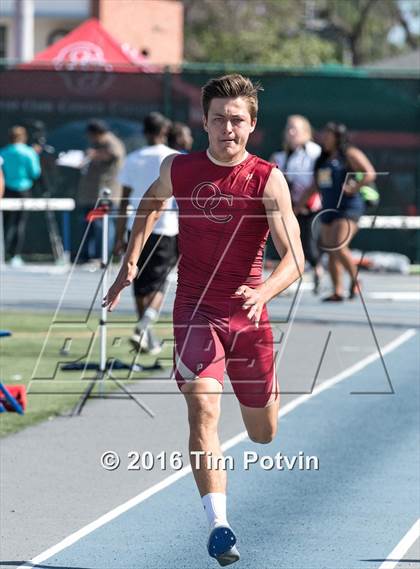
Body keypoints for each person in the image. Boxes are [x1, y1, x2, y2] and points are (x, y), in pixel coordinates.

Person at [103, 74, 304, 566]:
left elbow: (296, 258)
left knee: (263, 433)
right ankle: (218, 524)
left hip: (248, 314)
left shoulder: (266, 178)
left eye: (237, 120)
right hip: (194, 310)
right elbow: (150, 203)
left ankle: (259, 399)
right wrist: (131, 259)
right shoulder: (181, 167)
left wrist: (263, 291)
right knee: (203, 410)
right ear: (205, 122)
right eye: (218, 119)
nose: (227, 128)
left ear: (252, 124)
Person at [115, 112, 178, 354]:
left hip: (137, 226)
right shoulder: (173, 158)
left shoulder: (133, 159)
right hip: (166, 227)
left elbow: (124, 200)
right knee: (159, 282)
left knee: (138, 282)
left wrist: (120, 235)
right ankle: (144, 327)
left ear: (145, 132)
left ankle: (145, 333)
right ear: (165, 131)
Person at [296, 122, 376, 301]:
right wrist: (298, 206)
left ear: (338, 137)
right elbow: (314, 186)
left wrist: (355, 186)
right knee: (330, 248)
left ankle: (356, 280)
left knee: (338, 244)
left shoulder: (349, 154)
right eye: (324, 135)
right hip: (329, 208)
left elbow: (370, 173)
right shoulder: (322, 160)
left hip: (348, 207)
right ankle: (337, 290)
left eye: (329, 135)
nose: (325, 138)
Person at [270, 115, 323, 293]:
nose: (291, 132)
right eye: (288, 128)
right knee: (287, 243)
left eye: (295, 129)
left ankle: (319, 271)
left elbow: (318, 182)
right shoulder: (279, 156)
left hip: (310, 207)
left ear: (306, 132)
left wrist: (301, 204)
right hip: (288, 207)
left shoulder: (316, 153)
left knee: (310, 244)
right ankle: (286, 280)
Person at [77, 119, 125, 264]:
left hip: (106, 193)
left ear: (97, 133)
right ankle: (87, 255)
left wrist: (94, 154)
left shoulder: (111, 142)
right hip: (92, 194)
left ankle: (102, 256)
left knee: (102, 225)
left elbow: (114, 154)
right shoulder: (97, 144)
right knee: (90, 224)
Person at [0, 126, 41, 266]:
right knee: (19, 223)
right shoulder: (29, 152)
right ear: (23, 137)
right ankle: (15, 255)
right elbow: (35, 172)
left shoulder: (3, 152)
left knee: (4, 224)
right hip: (24, 190)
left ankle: (3, 253)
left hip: (6, 190)